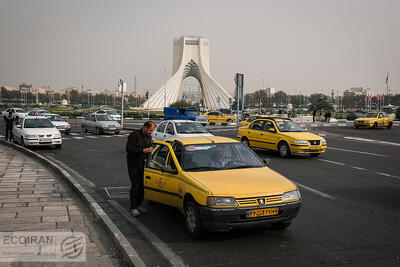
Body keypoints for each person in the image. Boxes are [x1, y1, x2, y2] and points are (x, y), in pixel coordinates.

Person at [126, 121, 155, 217]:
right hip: (133, 164)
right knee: (135, 185)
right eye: (150, 130)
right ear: (145, 127)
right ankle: (133, 208)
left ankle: (138, 205)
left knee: (142, 186)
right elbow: (129, 149)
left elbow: (149, 148)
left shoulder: (148, 136)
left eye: (152, 130)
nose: (151, 132)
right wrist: (143, 150)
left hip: (143, 164)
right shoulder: (134, 135)